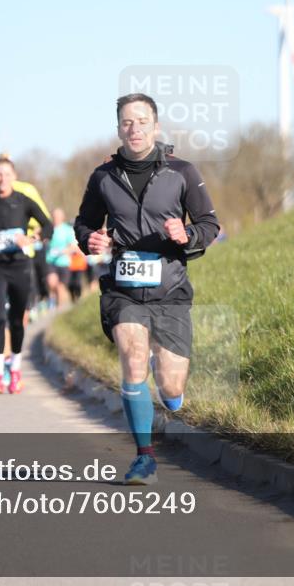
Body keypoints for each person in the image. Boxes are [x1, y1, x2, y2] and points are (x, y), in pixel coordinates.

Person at [74, 93, 220, 485]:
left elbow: (210, 224)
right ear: (118, 128)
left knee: (171, 390)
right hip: (122, 289)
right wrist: (91, 240)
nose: (133, 128)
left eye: (141, 121)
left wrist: (186, 233)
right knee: (133, 358)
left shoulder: (182, 172)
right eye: (126, 122)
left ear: (156, 127)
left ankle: (164, 375)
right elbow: (83, 224)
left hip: (171, 290)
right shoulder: (102, 177)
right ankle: (144, 459)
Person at [0, 154, 53, 394]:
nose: (2, 178)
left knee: (16, 320)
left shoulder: (23, 201)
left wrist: (32, 238)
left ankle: (14, 369)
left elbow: (48, 226)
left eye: (6, 174)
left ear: (14, 177)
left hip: (20, 265)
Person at [46, 208, 79, 309]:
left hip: (64, 262)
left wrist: (64, 251)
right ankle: (54, 300)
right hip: (50, 260)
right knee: (51, 282)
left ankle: (58, 309)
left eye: (58, 216)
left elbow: (74, 246)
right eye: (54, 216)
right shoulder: (49, 228)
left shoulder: (67, 230)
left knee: (61, 287)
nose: (56, 218)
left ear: (62, 217)